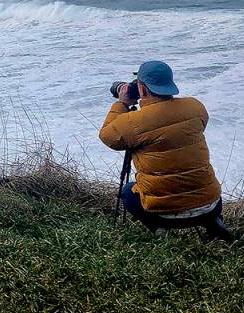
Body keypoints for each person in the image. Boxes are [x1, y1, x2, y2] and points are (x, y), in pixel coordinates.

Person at [99, 60, 232, 241]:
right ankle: (213, 222)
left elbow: (108, 136)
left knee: (129, 193)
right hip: (211, 204)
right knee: (203, 184)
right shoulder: (195, 107)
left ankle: (159, 229)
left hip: (163, 213)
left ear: (143, 90)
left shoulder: (133, 123)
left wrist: (122, 104)